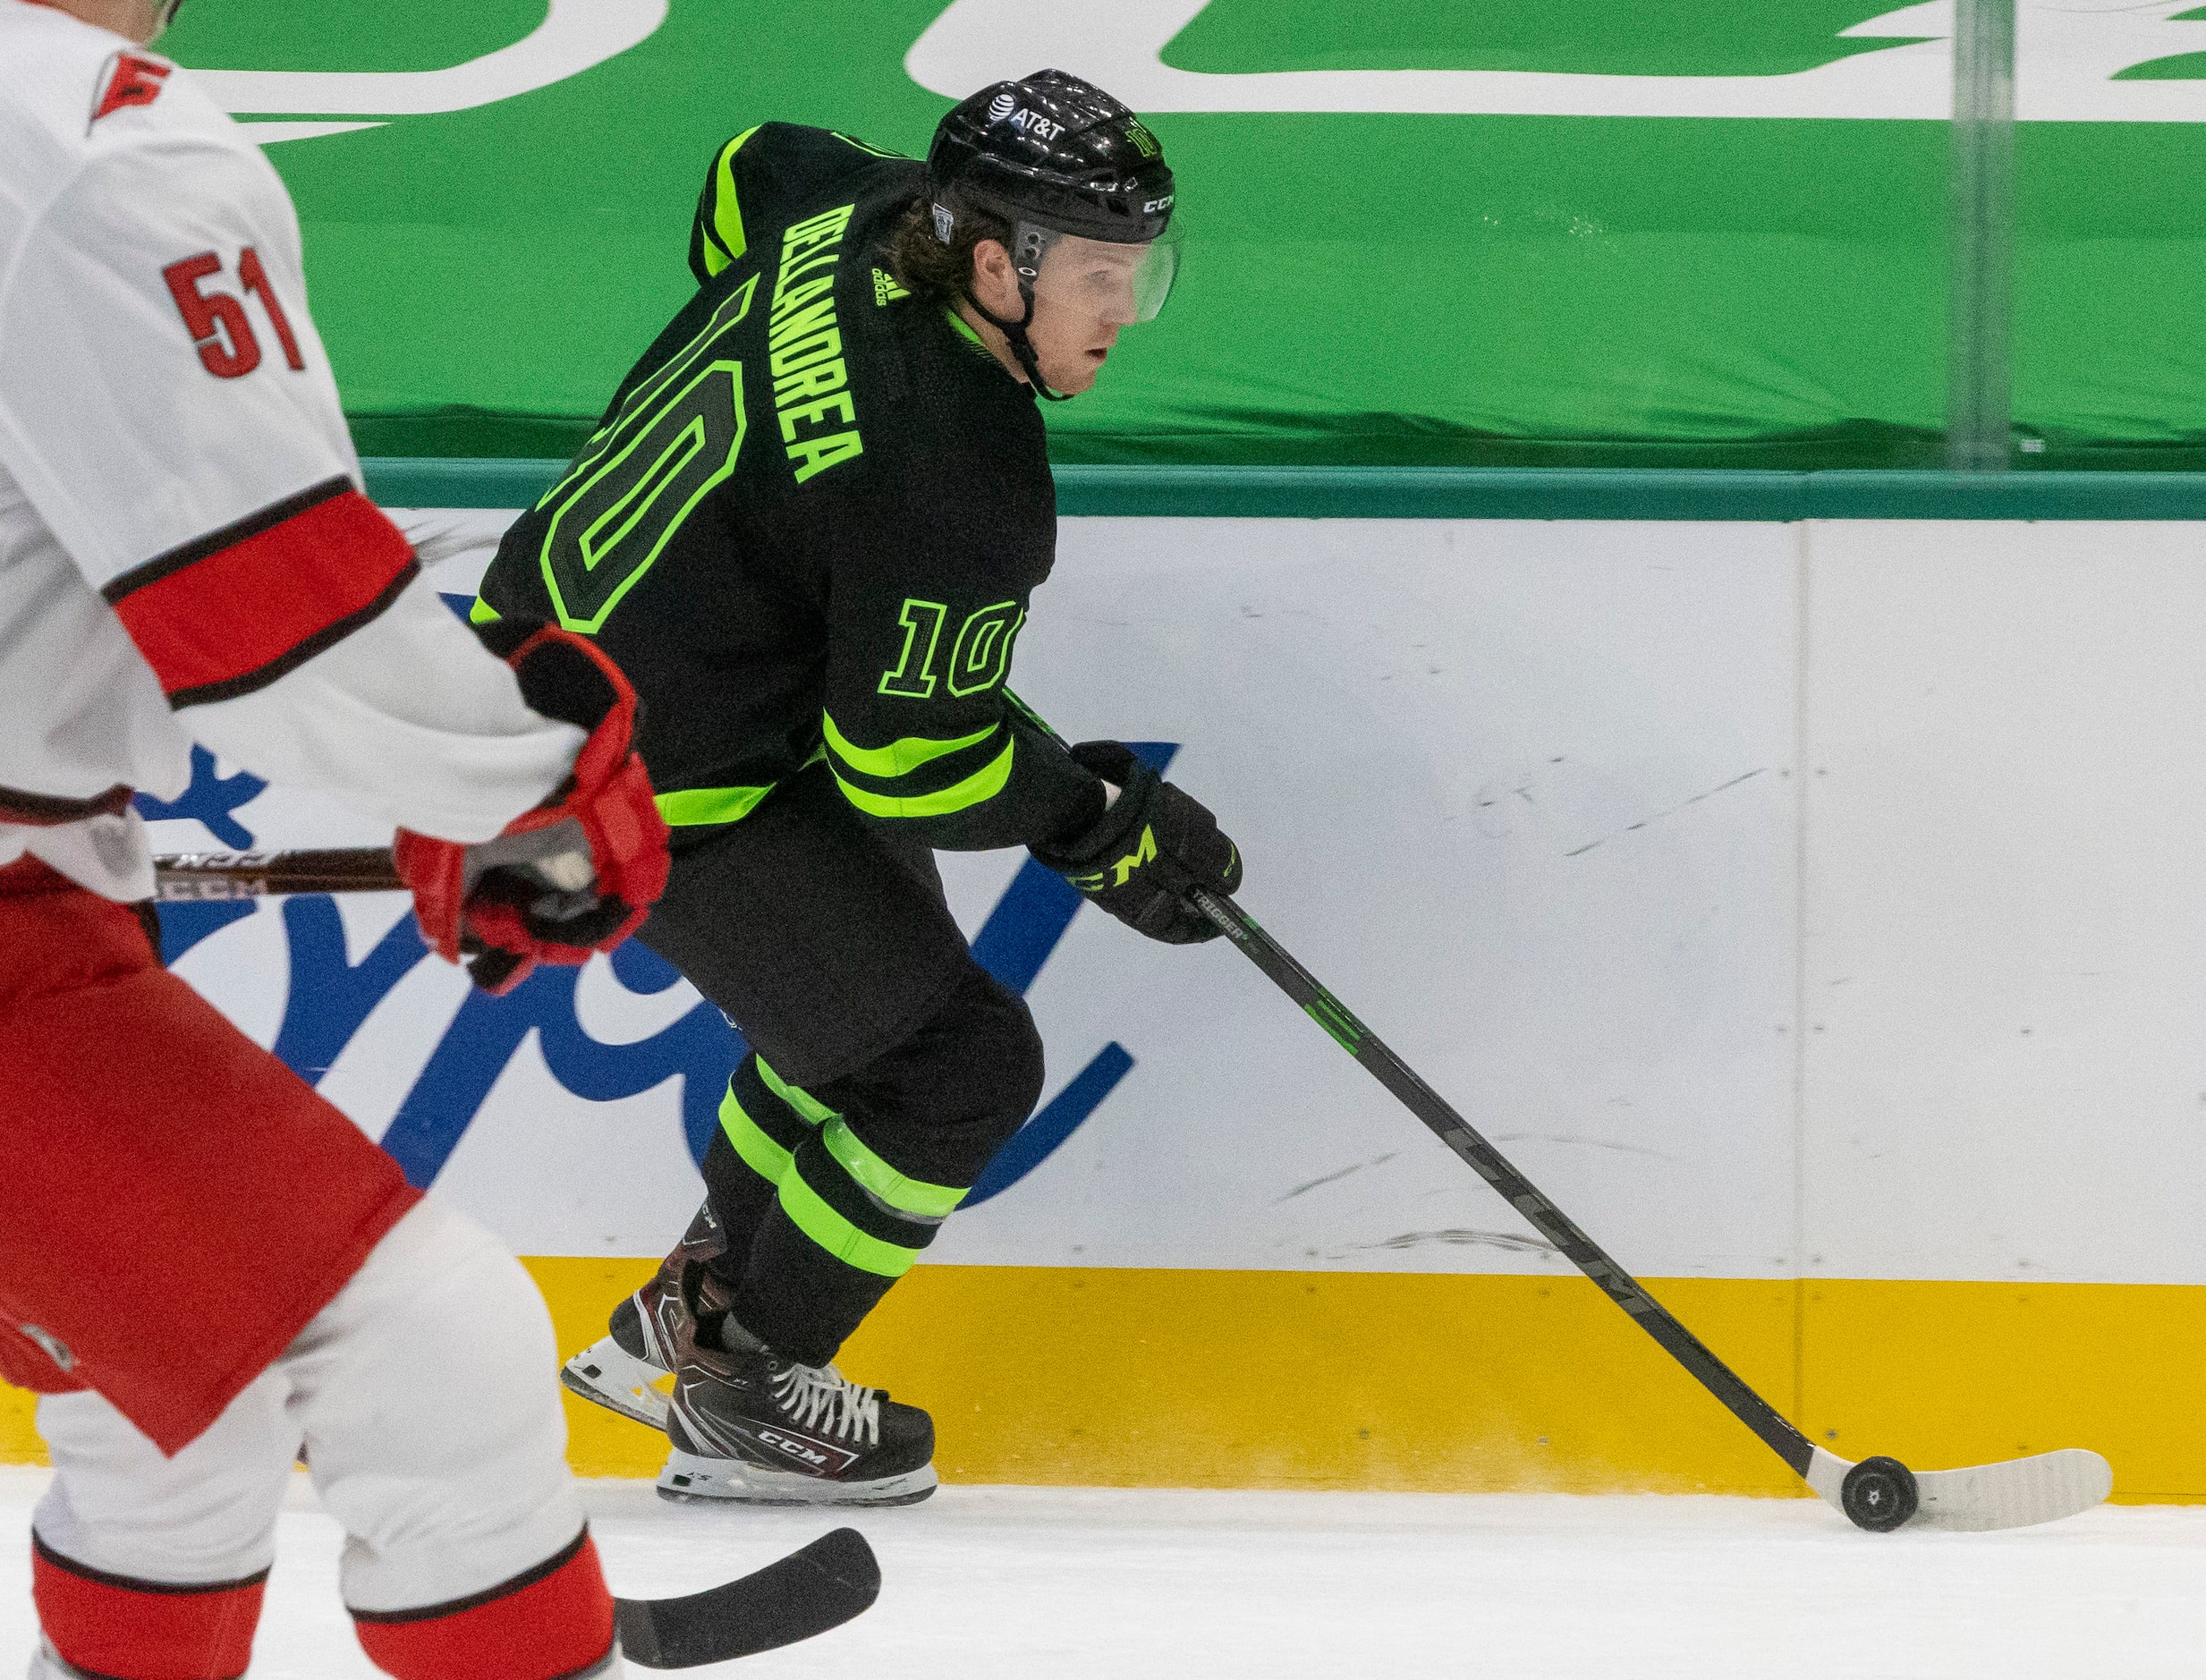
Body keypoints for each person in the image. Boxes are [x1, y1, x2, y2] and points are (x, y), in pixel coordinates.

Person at [0, 0, 675, 1674]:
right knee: (429, 1355)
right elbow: (267, 615)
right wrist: (522, 790)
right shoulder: (85, 135)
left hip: (40, 904)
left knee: (180, 1413)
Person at [482, 70, 1243, 1508]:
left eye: (1134, 272)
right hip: (642, 762)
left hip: (585, 656)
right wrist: (1092, 825)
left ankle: (690, 1326)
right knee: (951, 1068)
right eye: (1094, 277)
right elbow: (901, 758)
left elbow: (736, 167)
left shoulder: (858, 202)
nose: (1117, 313)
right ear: (993, 261)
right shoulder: (958, 470)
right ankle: (748, 1387)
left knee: (862, 1011)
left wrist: (782, 479)